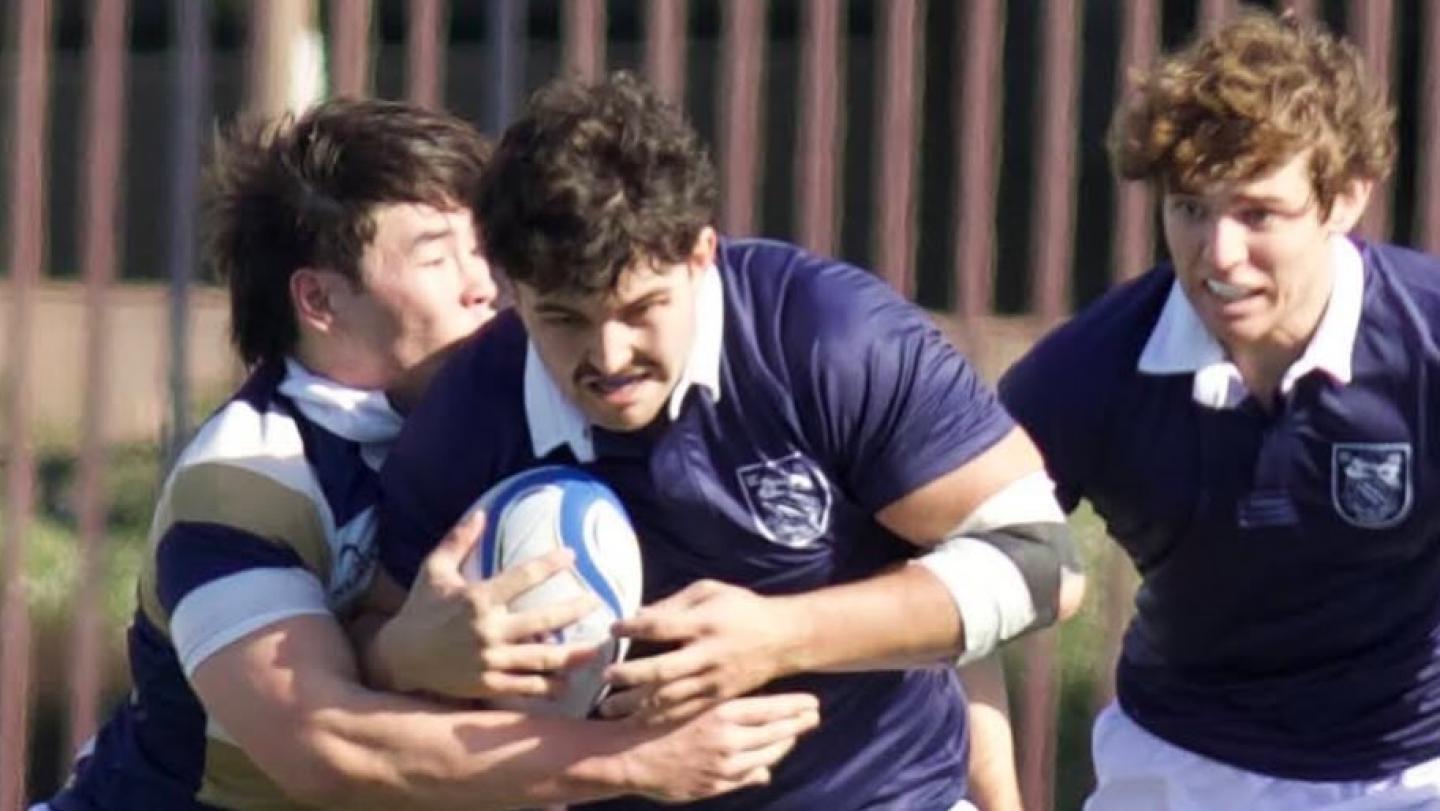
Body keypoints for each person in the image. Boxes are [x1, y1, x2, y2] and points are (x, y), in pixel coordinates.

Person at [41, 97, 820, 811]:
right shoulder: (248, 480)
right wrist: (632, 759)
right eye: (438, 255)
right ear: (319, 300)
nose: (486, 283)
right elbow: (322, 745)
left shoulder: (540, 407)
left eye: (486, 248)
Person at [366, 71, 1085, 811]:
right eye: (565, 320)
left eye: (642, 307)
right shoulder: (467, 417)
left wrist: (779, 633)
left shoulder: (826, 339)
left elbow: (1044, 563)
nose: (610, 358)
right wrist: (408, 655)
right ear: (510, 288)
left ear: (702, 252)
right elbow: (373, 636)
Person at [997, 11, 1440, 810]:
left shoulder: (1427, 342)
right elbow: (943, 555)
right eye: (1190, 209)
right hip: (1181, 762)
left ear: (1344, 199)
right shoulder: (1089, 372)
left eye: (1258, 213)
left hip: (1411, 770)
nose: (1219, 255)